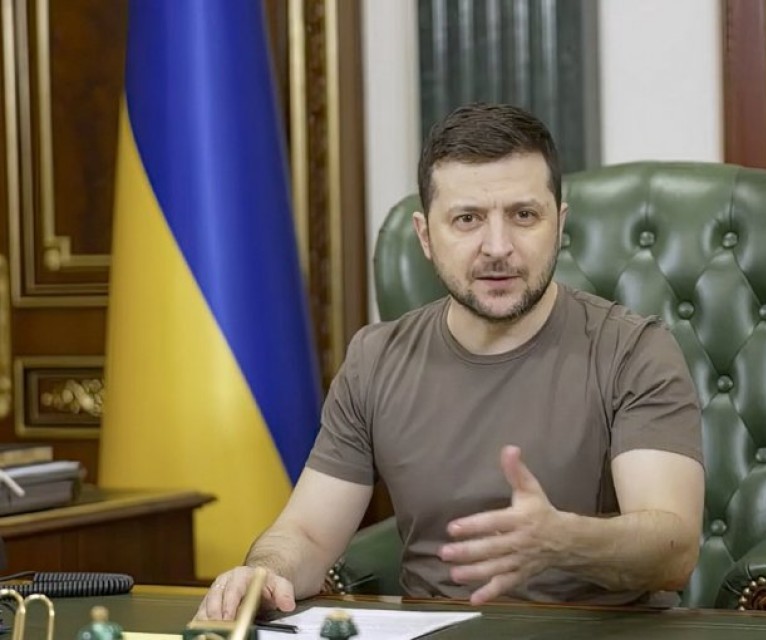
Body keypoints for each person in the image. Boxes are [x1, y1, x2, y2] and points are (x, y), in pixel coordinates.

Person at [195, 103, 704, 621]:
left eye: (524, 215)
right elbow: (306, 533)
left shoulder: (634, 350)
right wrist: (266, 571)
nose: (498, 247)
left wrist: (563, 540)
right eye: (467, 219)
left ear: (559, 224)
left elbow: (674, 553)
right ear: (425, 236)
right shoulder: (375, 359)